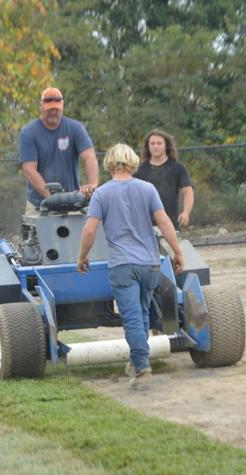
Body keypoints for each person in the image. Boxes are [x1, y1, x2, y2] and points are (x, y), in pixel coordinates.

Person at [77, 144, 184, 391]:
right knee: (143, 313)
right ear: (133, 163)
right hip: (149, 263)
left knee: (133, 318)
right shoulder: (147, 189)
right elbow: (165, 222)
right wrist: (178, 252)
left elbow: (90, 229)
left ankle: (143, 368)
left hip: (122, 264)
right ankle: (136, 362)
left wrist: (82, 256)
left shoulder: (102, 194)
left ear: (110, 164)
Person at [19, 87, 100, 214]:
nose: (53, 112)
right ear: (41, 107)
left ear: (62, 107)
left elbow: (89, 157)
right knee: (37, 233)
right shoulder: (29, 133)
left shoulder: (75, 128)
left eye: (56, 109)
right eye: (49, 109)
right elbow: (29, 169)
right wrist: (52, 198)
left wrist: (92, 185)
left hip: (72, 205)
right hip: (39, 206)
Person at [134, 129, 194, 229]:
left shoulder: (177, 168)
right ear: (148, 146)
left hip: (171, 224)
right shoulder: (140, 170)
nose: (155, 146)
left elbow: (188, 191)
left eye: (159, 143)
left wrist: (186, 213)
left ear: (166, 145)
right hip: (145, 226)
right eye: (152, 143)